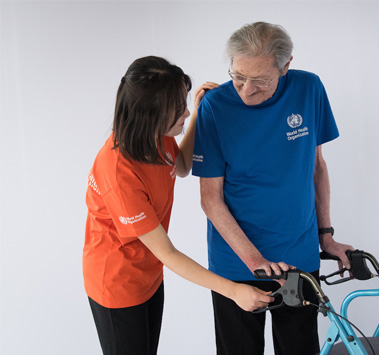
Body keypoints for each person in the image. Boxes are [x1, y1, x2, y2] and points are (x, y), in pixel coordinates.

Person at [83, 56, 274, 355]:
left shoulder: (155, 136)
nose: (184, 111)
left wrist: (197, 115)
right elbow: (168, 252)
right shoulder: (118, 172)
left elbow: (182, 165)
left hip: (148, 274)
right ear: (150, 115)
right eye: (177, 110)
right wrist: (233, 290)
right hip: (117, 283)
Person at [192, 22, 354, 354]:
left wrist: (326, 234)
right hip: (236, 262)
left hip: (298, 255)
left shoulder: (309, 88)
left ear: (285, 67)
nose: (246, 90)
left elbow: (316, 166)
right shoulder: (215, 106)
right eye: (238, 76)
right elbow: (210, 199)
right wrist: (255, 261)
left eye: (260, 80)